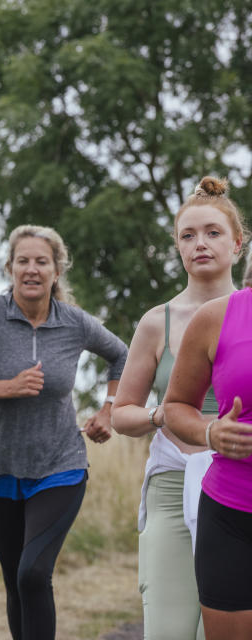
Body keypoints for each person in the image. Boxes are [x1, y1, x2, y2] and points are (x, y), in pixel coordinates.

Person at [0, 224, 127, 640]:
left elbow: (121, 356)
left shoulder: (74, 323)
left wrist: (108, 410)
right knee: (14, 581)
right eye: (23, 261)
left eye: (42, 261)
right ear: (10, 267)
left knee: (33, 573)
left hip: (60, 467)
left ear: (57, 270)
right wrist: (6, 387)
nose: (32, 269)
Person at [112, 177, 246, 639]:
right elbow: (122, 412)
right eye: (187, 236)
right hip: (173, 484)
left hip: (240, 485)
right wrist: (162, 415)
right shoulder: (157, 322)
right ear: (176, 248)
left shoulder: (246, 314)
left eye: (212, 232)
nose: (200, 244)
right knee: (168, 630)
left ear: (238, 242)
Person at [163, 178, 252, 640]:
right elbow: (176, 406)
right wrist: (211, 432)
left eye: (213, 233)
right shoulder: (217, 318)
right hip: (231, 512)